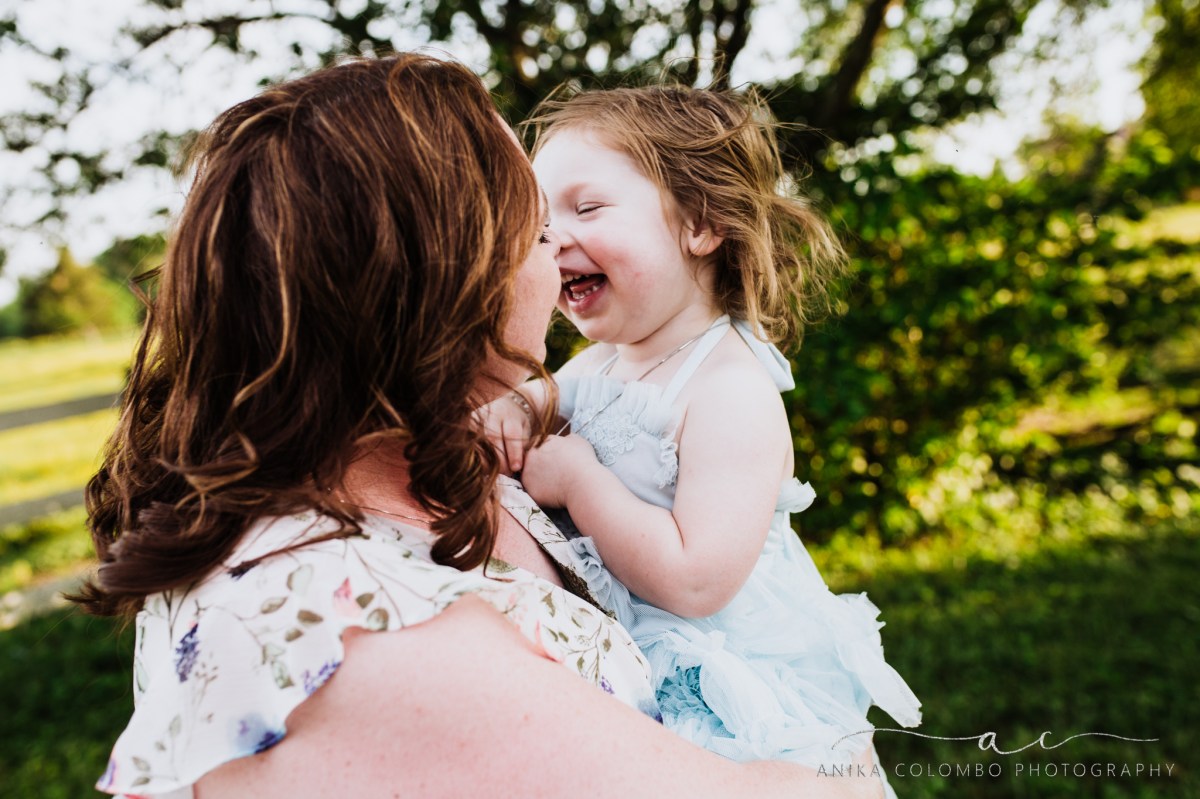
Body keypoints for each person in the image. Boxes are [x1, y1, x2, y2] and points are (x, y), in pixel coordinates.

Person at [72, 54, 882, 799]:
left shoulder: (433, 453)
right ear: (437, 276)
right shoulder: (360, 630)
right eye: (535, 225)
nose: (555, 246)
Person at [483, 85, 921, 793]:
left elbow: (696, 578)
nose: (554, 237)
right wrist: (511, 406)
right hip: (635, 666)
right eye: (542, 219)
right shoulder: (598, 363)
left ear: (701, 223)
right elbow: (540, 402)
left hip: (733, 699)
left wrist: (578, 479)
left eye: (587, 208)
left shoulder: (729, 389)